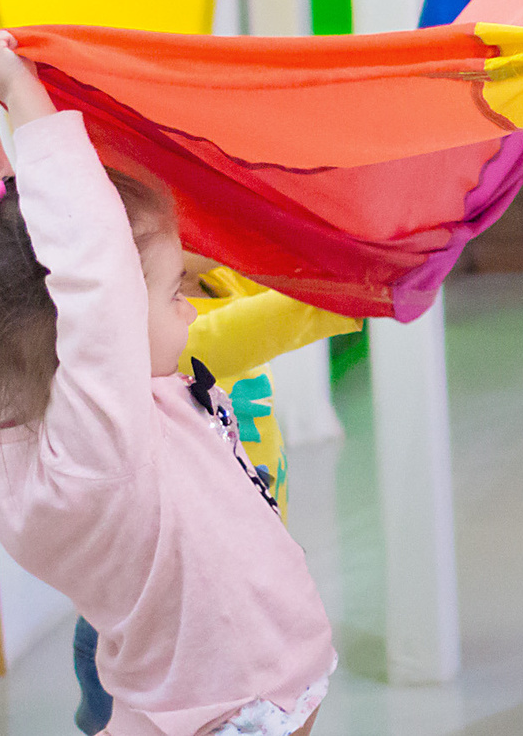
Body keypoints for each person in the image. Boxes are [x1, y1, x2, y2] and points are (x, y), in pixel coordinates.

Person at [0, 14, 336, 736]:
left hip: (202, 693)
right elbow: (88, 270)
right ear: (87, 327)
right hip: (237, 704)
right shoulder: (97, 449)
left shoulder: (22, 415)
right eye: (176, 291)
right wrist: (21, 96)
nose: (191, 305)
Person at [73, 264, 358, 734]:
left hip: (231, 578)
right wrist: (353, 290)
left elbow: (283, 264)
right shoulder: (148, 327)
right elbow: (245, 327)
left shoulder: (220, 282)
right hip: (167, 612)